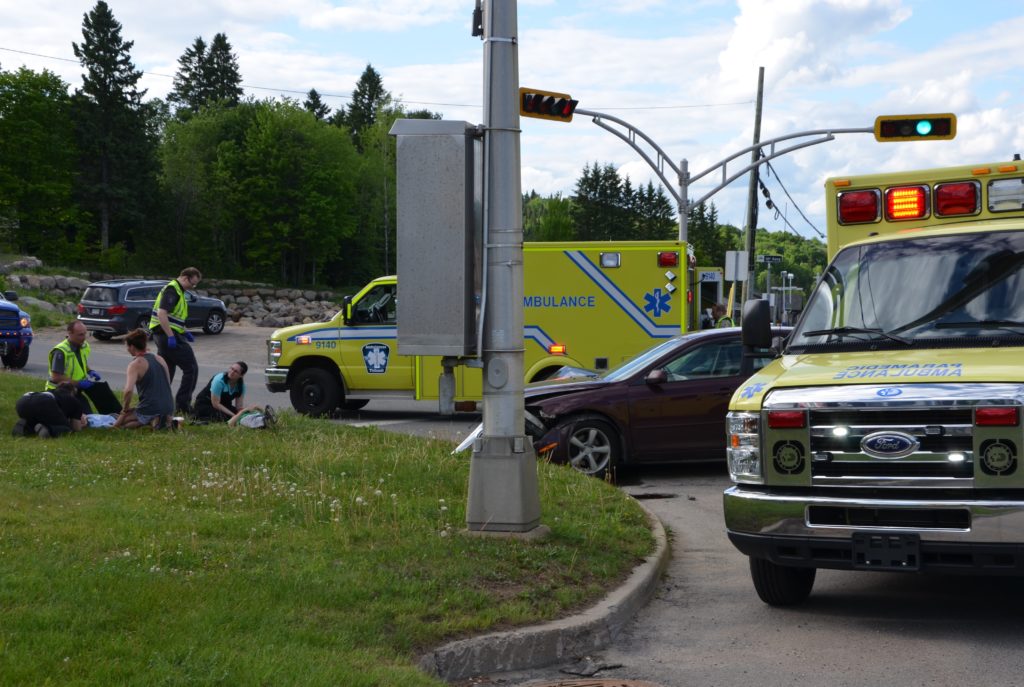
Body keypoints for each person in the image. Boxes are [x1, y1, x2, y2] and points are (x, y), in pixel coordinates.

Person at [149, 267, 202, 415]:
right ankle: (182, 405)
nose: (194, 287)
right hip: (167, 337)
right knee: (191, 368)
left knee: (167, 371)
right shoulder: (172, 290)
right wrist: (171, 336)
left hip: (165, 335)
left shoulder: (178, 291)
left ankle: (160, 403)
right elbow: (162, 313)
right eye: (193, 283)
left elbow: (173, 318)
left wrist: (184, 331)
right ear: (185, 278)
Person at [47, 320, 121, 415]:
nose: (84, 338)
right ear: (70, 333)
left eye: (85, 334)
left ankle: (116, 414)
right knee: (81, 418)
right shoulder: (60, 351)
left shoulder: (83, 346)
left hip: (75, 390)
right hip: (60, 391)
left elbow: (80, 362)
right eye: (80, 335)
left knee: (89, 413)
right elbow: (56, 377)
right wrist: (79, 383)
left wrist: (90, 371)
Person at [114, 328, 175, 430]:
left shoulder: (135, 364)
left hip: (150, 407)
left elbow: (128, 391)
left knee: (122, 422)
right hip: (169, 406)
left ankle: (152, 420)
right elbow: (167, 383)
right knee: (134, 416)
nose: (127, 349)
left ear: (132, 347)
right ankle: (160, 420)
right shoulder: (160, 359)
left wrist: (124, 410)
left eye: (127, 346)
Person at [13, 382, 86, 439]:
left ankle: (25, 426)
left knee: (39, 418)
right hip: (45, 402)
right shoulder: (74, 401)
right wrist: (84, 424)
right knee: (67, 429)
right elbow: (76, 428)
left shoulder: (52, 392)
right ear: (72, 392)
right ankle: (47, 429)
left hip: (23, 401)